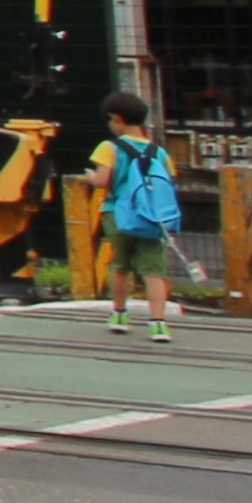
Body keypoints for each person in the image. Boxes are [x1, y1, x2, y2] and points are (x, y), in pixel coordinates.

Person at [81, 91, 184, 342]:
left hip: (117, 214)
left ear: (117, 119)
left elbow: (103, 181)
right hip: (151, 217)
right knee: (153, 270)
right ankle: (158, 323)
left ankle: (119, 314)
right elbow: (168, 180)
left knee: (121, 266)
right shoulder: (158, 152)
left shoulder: (109, 148)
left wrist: (90, 177)